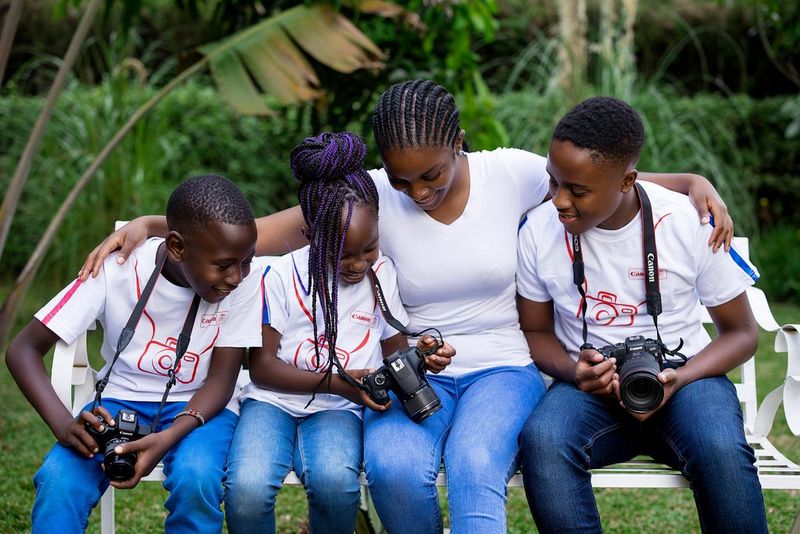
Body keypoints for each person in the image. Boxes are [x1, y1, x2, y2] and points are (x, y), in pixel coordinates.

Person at [77, 80, 735, 533]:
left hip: (503, 366)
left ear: (461, 144)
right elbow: (270, 229)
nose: (416, 191)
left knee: (478, 466)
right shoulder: (370, 200)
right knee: (393, 467)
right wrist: (152, 223)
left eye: (432, 175)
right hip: (408, 372)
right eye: (401, 178)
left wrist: (691, 182)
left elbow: (605, 179)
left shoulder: (510, 174)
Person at [515, 96, 767, 533]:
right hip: (591, 388)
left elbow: (742, 333)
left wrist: (682, 377)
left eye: (577, 190)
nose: (559, 200)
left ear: (627, 181)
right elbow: (536, 331)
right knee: (544, 439)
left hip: (686, 379)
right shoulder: (540, 230)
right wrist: (577, 371)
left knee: (721, 449)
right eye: (554, 183)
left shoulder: (686, 221)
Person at [224, 131, 455, 533]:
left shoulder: (381, 274)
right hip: (272, 402)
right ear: (311, 237)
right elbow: (261, 369)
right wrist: (343, 383)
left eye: (370, 248)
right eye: (343, 254)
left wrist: (422, 357)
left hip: (338, 412)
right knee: (246, 488)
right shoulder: (280, 275)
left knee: (335, 485)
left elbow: (395, 351)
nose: (359, 264)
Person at [6, 175, 264, 534]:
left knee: (197, 479)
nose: (236, 277)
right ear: (177, 247)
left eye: (246, 263)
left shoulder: (243, 284)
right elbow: (23, 350)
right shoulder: (117, 268)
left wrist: (169, 436)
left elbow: (221, 383)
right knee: (59, 481)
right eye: (223, 266)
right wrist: (63, 424)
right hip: (115, 404)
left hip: (200, 409)